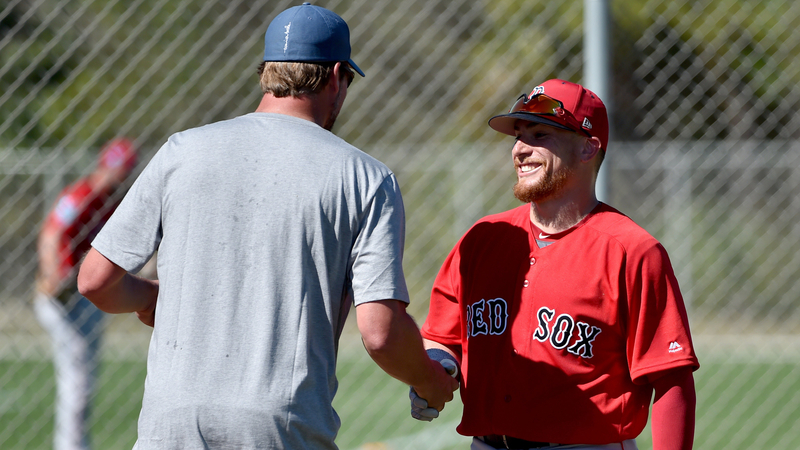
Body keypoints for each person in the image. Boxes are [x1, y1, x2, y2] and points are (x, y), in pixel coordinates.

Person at [76, 3, 458, 449]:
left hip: (170, 425)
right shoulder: (366, 177)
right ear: (337, 76)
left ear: (268, 72)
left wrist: (152, 297)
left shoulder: (183, 150)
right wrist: (431, 380)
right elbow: (380, 332)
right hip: (281, 429)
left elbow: (95, 281)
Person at [415, 79, 700, 450]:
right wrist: (436, 366)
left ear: (587, 148)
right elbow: (442, 336)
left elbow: (670, 380)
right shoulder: (482, 239)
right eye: (518, 135)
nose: (520, 149)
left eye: (540, 135)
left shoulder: (632, 251)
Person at [34, 137, 138, 450]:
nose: (116, 177)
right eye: (114, 169)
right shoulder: (82, 194)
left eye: (122, 172)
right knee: (78, 383)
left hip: (86, 297)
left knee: (82, 383)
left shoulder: (113, 203)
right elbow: (51, 233)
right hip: (63, 296)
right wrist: (53, 274)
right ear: (103, 164)